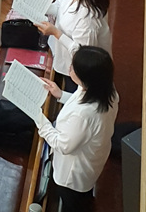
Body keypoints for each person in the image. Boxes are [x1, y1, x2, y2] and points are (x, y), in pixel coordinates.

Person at [37, 46, 118, 212]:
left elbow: (63, 145)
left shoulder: (83, 115)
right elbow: (80, 99)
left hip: (72, 176)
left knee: (73, 205)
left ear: (86, 78)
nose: (69, 68)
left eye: (74, 67)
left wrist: (40, 121)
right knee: (83, 198)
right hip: (92, 161)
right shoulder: (106, 91)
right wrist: (60, 95)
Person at [36, 0, 111, 92]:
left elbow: (83, 53)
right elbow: (61, 6)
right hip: (64, 56)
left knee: (73, 92)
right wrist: (39, 6)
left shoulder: (88, 16)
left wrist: (55, 33)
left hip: (78, 69)